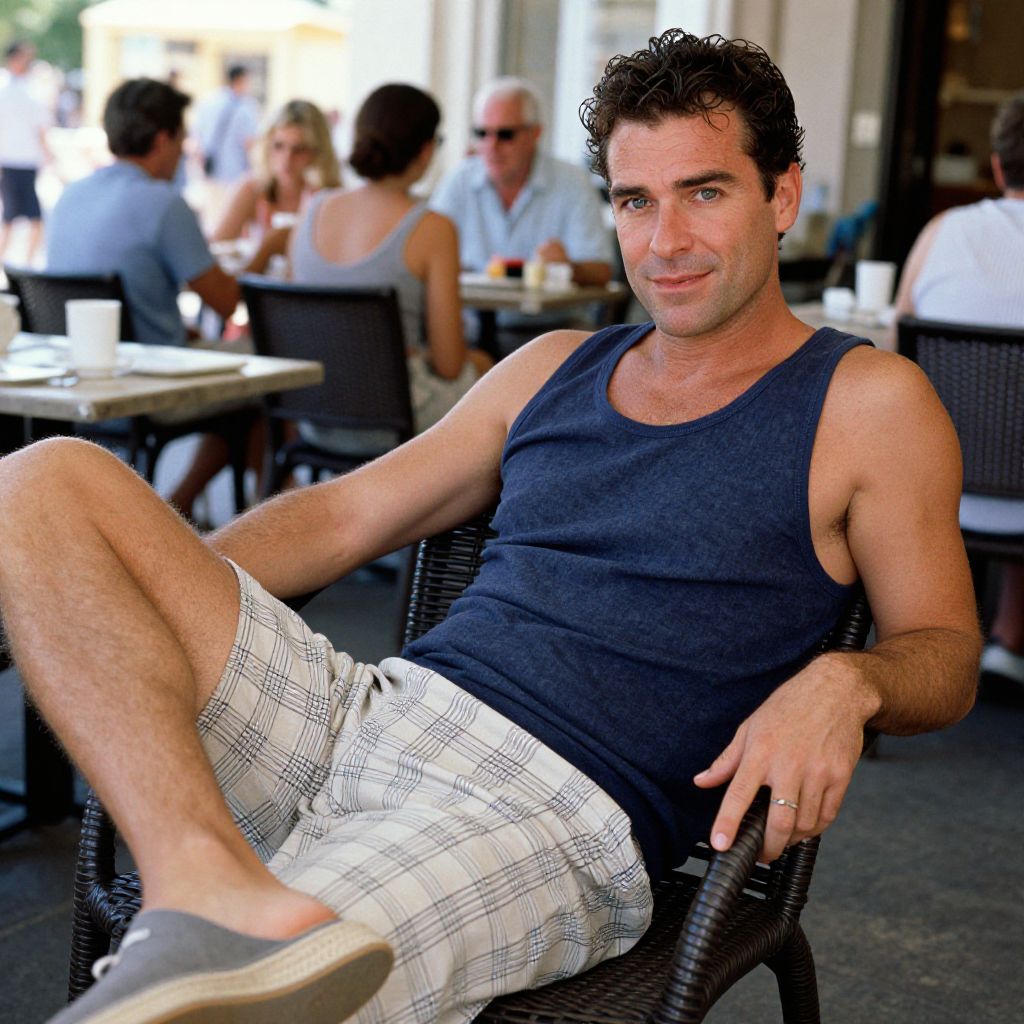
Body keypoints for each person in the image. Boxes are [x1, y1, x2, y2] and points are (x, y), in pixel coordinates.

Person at [0, 31, 978, 1024]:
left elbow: (943, 649)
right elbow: (342, 513)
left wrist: (846, 680)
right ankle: (197, 876)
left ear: (781, 195)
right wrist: (120, 598)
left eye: (705, 191)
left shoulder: (865, 404)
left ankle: (225, 917)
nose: (664, 241)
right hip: (367, 711)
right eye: (634, 201)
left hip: (545, 815)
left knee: (237, 999)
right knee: (41, 482)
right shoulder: (554, 364)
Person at [46, 78, 284, 517]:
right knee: (275, 368)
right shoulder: (164, 203)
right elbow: (228, 303)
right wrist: (268, 249)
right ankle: (264, 521)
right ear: (163, 138)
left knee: (247, 387)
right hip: (143, 380)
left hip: (73, 376)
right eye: (182, 138)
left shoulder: (69, 196)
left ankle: (185, 504)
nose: (183, 151)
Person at [892, 91, 1024, 694]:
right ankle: (1009, 636)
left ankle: (937, 629)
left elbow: (898, 339)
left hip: (941, 487)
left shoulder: (945, 231)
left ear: (996, 167)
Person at [289, 83, 491, 449]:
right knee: (490, 370)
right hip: (394, 420)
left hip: (311, 414)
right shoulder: (433, 228)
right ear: (427, 150)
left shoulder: (313, 209)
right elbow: (449, 364)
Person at [430, 76, 614, 351]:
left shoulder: (571, 182)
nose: (491, 146)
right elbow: (425, 259)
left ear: (535, 134)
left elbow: (601, 271)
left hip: (551, 333)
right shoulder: (458, 182)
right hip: (470, 335)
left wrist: (568, 268)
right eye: (482, 134)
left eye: (505, 135)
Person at [212, 99, 341, 245]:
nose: (287, 159)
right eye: (278, 146)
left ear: (317, 152)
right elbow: (216, 246)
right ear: (266, 145)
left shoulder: (329, 196)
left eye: (299, 149)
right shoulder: (252, 189)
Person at [0, 41, 51, 267]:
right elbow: (41, 128)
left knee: (20, 218)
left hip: (21, 161)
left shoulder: (28, 88)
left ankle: (25, 264)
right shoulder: (25, 89)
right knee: (19, 218)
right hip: (15, 160)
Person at [194, 65, 261, 188]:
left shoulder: (209, 101)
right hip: (235, 176)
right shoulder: (246, 106)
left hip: (210, 171)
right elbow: (250, 142)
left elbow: (197, 137)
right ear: (241, 80)